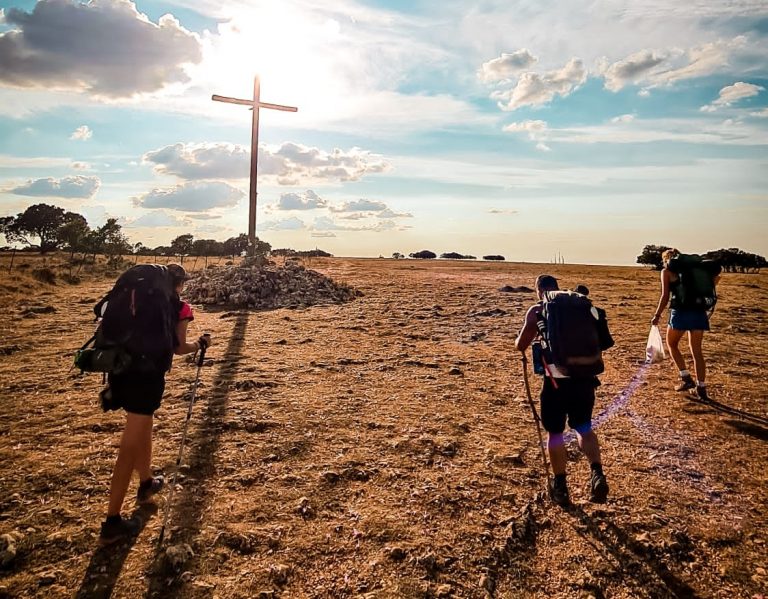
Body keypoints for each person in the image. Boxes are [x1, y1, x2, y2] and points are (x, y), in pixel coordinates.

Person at [99, 263, 212, 545]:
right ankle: (112, 522)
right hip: (146, 376)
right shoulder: (179, 307)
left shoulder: (134, 295)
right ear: (178, 283)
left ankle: (146, 482)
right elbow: (179, 347)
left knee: (143, 426)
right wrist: (200, 345)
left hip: (120, 369)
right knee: (129, 445)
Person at [515, 274, 609, 506]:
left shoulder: (538, 310)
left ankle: (560, 486)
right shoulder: (580, 306)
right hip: (585, 378)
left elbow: (520, 344)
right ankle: (597, 473)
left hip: (555, 382)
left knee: (555, 433)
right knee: (584, 428)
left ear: (539, 291)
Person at [651, 249, 719, 402]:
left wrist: (657, 315)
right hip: (699, 312)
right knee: (697, 352)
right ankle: (701, 388)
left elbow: (665, 296)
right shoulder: (696, 271)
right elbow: (713, 282)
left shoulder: (666, 272)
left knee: (672, 344)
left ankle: (686, 377)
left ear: (666, 260)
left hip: (680, 312)